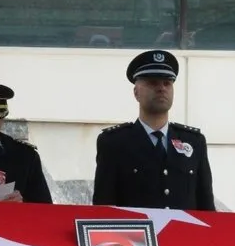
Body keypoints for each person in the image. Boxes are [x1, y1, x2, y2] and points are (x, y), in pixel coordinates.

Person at [92, 49, 215, 211]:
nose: (161, 88)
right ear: (136, 93)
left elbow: (206, 206)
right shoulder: (114, 142)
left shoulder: (194, 141)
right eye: (152, 82)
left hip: (184, 235)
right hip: (137, 236)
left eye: (167, 83)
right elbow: (103, 207)